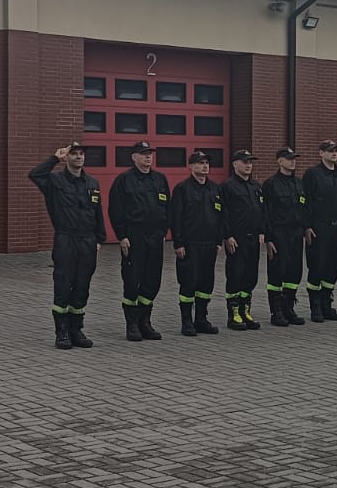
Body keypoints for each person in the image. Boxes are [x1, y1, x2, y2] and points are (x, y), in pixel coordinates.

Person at [28, 141, 105, 349]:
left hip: (87, 241)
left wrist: (99, 239)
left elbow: (97, 212)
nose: (79, 157)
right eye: (74, 154)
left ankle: (76, 330)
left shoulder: (92, 183)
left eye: (81, 154)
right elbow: (34, 174)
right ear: (67, 158)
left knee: (82, 286)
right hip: (66, 239)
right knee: (63, 284)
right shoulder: (54, 181)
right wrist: (55, 158)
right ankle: (61, 332)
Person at [107, 140, 169, 342]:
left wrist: (163, 231)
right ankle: (132, 324)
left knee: (152, 280)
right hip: (134, 237)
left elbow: (167, 207)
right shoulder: (124, 180)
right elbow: (115, 210)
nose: (148, 157)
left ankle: (145, 321)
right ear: (134, 157)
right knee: (132, 280)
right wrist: (122, 236)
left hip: (155, 237)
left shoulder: (159, 179)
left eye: (150, 153)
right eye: (143, 154)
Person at [169, 148, 224, 336]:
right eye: (200, 163)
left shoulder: (215, 188)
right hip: (190, 244)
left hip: (209, 244)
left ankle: (201, 319)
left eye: (207, 163)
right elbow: (176, 217)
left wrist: (218, 240)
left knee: (206, 283)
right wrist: (178, 243)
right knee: (189, 282)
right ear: (191, 166)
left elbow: (221, 216)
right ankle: (186, 321)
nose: (205, 166)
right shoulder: (182, 189)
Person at [302, 139, 337, 322]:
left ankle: (326, 305)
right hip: (318, 228)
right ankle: (315, 307)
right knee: (317, 266)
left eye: (336, 150)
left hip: (336, 228)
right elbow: (305, 201)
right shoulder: (312, 174)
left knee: (333, 267)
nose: (334, 153)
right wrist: (307, 226)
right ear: (321, 153)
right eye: (330, 151)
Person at [262, 146, 307, 328]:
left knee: (294, 272)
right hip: (278, 233)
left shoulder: (299, 183)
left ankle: (289, 308)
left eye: (294, 158)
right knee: (277, 272)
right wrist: (268, 238)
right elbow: (266, 213)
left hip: (296, 233)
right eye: (289, 159)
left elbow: (305, 208)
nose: (293, 161)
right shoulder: (271, 184)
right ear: (280, 161)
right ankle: (276, 312)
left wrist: (306, 228)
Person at [220, 149, 265, 331]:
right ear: (235, 164)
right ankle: (233, 315)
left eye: (250, 162)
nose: (248, 165)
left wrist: (262, 231)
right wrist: (227, 235)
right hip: (236, 239)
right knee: (235, 275)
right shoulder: (227, 186)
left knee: (250, 276)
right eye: (245, 162)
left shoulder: (255, 186)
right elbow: (223, 213)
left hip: (253, 239)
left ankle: (245, 311)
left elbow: (262, 211)